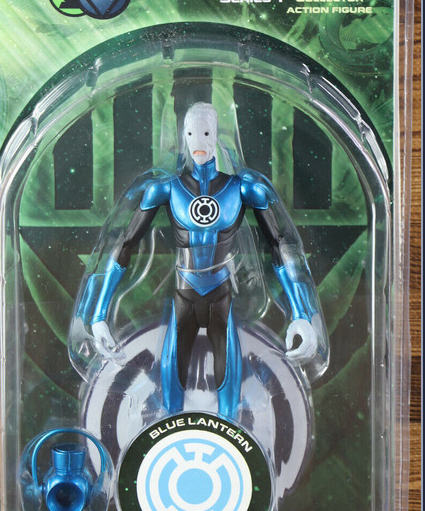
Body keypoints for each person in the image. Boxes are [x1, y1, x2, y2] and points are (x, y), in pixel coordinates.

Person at [78, 102, 327, 420]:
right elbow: (124, 242)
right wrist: (99, 314)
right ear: (184, 136)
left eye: (206, 133)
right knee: (171, 391)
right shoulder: (167, 189)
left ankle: (230, 431)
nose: (198, 141)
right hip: (184, 293)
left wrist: (302, 314)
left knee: (230, 400)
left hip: (221, 294)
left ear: (216, 135)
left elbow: (280, 244)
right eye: (192, 134)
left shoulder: (243, 189)